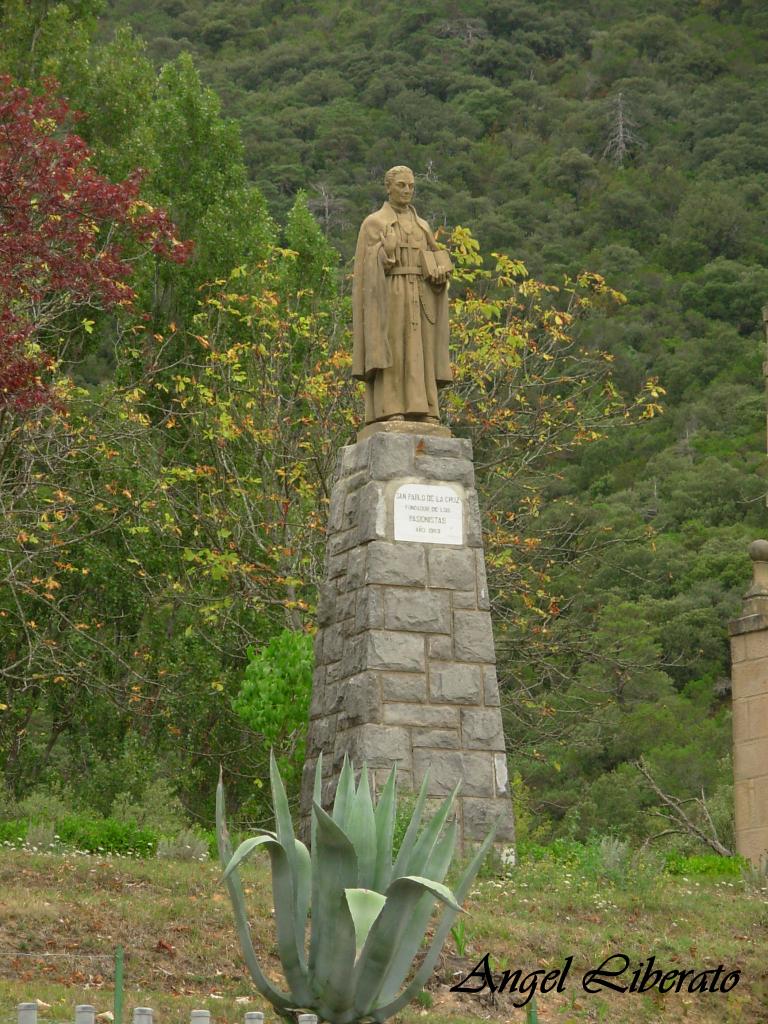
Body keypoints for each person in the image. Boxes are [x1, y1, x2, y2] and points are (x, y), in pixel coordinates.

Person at [352, 165, 452, 425]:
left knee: (421, 351)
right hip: (390, 295)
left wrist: (439, 277)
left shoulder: (422, 225)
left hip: (421, 295)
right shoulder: (375, 223)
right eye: (401, 185)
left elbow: (432, 262)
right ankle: (389, 407)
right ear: (388, 187)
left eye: (411, 186)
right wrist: (385, 253)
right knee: (393, 348)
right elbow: (366, 271)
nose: (407, 190)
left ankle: (426, 407)